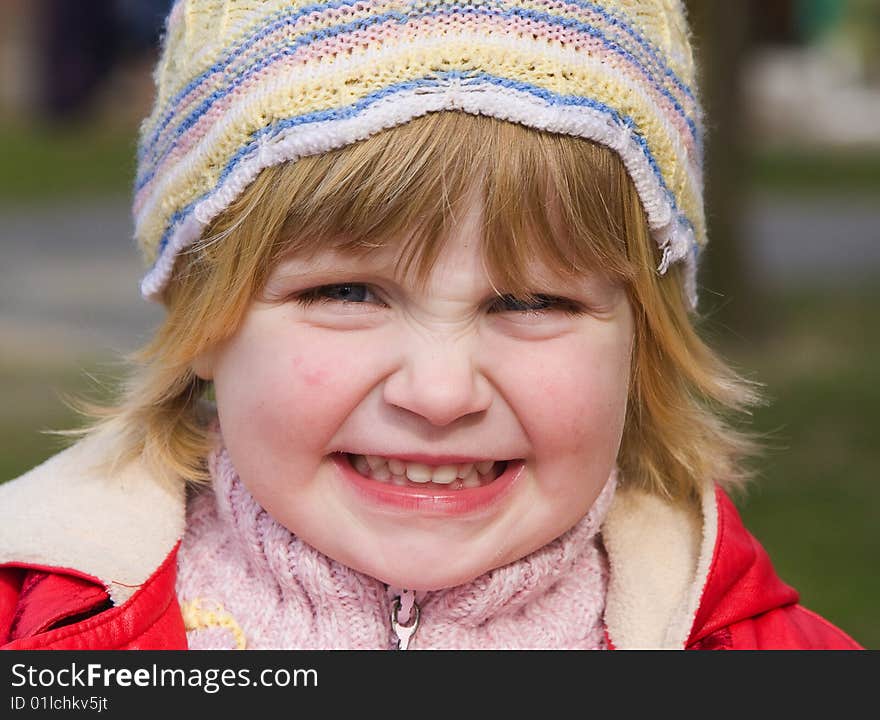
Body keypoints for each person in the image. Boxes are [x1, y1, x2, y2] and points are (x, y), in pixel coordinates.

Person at [0, 0, 862, 650]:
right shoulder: (41, 632)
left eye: (531, 304)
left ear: (645, 340)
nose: (440, 393)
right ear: (199, 319)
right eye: (346, 294)